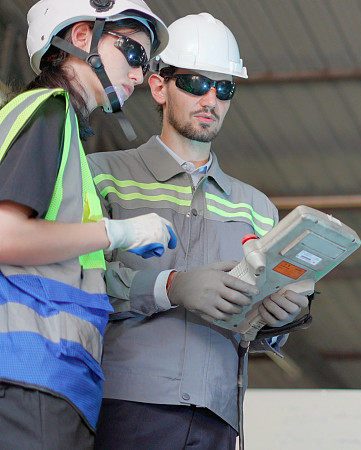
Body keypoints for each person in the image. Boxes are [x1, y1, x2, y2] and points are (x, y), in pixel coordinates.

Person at [89, 13, 310, 449]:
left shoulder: (258, 208)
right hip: (123, 405)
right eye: (195, 83)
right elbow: (75, 278)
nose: (211, 98)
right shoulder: (102, 176)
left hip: (217, 416)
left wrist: (281, 319)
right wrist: (168, 287)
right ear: (158, 87)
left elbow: (258, 321)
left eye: (224, 88)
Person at [0, 0, 172, 448]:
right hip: (26, 376)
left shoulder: (57, 127)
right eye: (133, 53)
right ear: (81, 37)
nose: (138, 74)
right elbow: (5, 235)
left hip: (48, 380)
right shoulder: (47, 111)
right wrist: (119, 232)